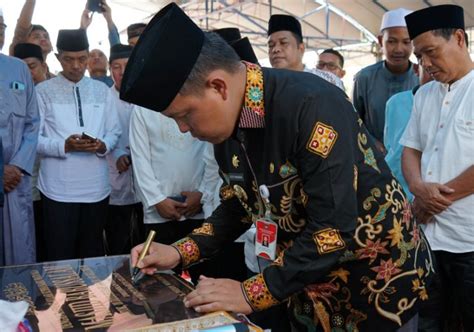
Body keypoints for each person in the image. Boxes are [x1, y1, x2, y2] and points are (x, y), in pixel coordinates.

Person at [123, 4, 433, 331]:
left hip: (374, 286)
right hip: (305, 285)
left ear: (218, 87)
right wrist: (179, 252)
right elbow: (237, 206)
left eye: (184, 115)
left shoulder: (310, 106)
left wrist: (251, 291)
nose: (184, 129)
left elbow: (331, 227)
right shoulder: (227, 129)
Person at [401, 5, 474, 331]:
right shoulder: (424, 95)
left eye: (431, 52)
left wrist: (433, 200)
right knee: (429, 322)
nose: (426, 63)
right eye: (420, 57)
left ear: (459, 38)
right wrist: (417, 188)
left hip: (469, 240)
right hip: (428, 238)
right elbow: (410, 150)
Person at [36, 29, 121, 261]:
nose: (76, 65)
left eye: (82, 59)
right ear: (57, 58)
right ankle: (61, 299)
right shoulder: (42, 92)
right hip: (58, 190)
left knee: (92, 254)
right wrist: (64, 146)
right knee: (59, 255)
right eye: (68, 59)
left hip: (96, 189)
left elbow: (114, 131)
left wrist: (102, 145)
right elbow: (33, 139)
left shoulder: (101, 91)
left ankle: (90, 298)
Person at [0, 9, 40, 266]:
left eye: (0, 26)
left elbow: (32, 122)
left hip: (15, 180)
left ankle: (19, 306)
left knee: (19, 254)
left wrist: (16, 166)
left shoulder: (18, 69)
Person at [352, 8, 418, 153]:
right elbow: (353, 119)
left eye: (406, 42)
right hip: (373, 158)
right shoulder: (364, 78)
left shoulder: (423, 77)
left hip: (414, 159)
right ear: (381, 41)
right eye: (392, 41)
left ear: (414, 43)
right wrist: (372, 142)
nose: (399, 49)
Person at [104, 44, 143, 255]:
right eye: (116, 66)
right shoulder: (104, 98)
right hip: (115, 184)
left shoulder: (147, 97)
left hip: (146, 186)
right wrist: (119, 154)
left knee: (144, 244)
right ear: (110, 70)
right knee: (118, 245)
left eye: (127, 65)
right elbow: (102, 135)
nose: (121, 72)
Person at [384, 63, 432, 201]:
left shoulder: (449, 105)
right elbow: (390, 145)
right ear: (417, 69)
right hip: (395, 191)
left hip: (428, 195)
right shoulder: (395, 102)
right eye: (428, 68)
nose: (434, 69)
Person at [267, 14, 344, 90]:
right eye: (271, 45)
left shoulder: (328, 81)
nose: (275, 49)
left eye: (283, 43)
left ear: (301, 48)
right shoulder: (262, 83)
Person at [8, 0, 54, 78]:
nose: (43, 39)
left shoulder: (54, 79)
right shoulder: (17, 60)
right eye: (36, 36)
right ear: (24, 41)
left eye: (46, 36)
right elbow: (21, 30)